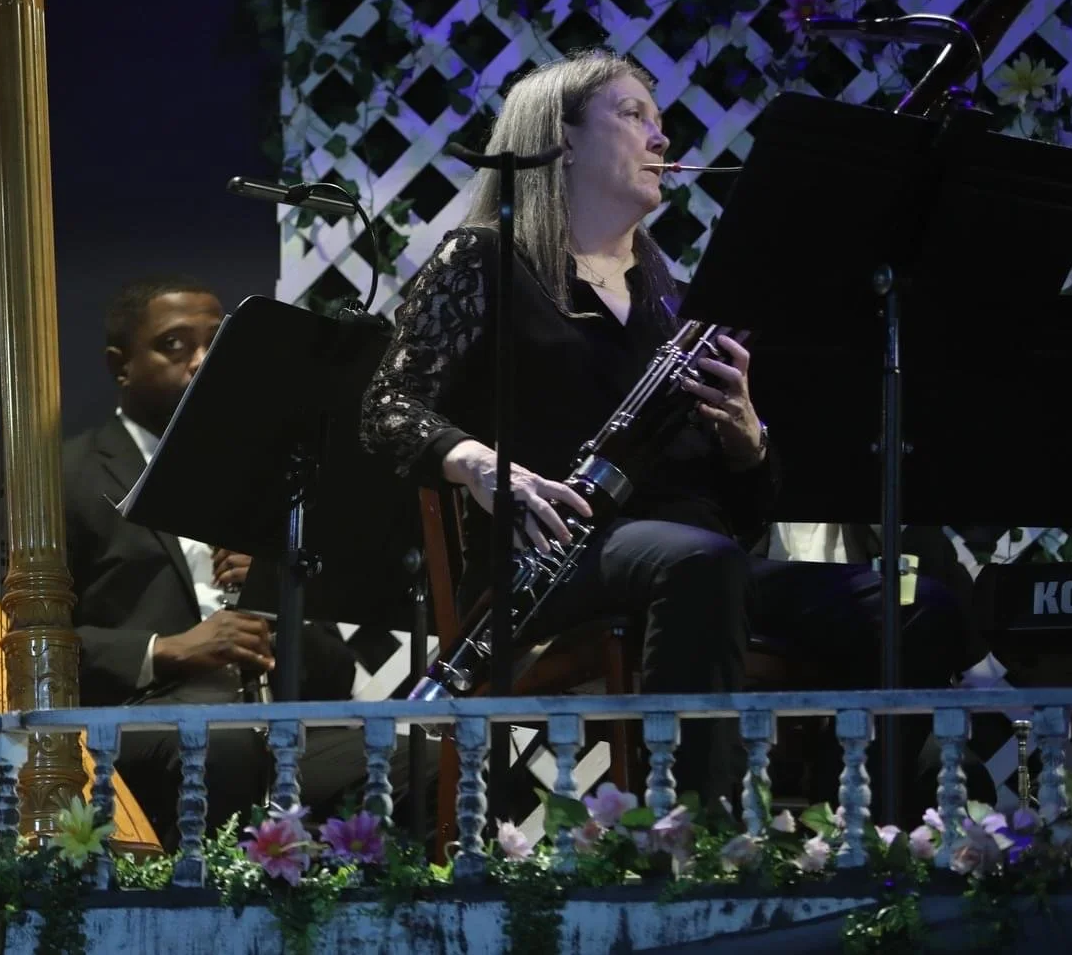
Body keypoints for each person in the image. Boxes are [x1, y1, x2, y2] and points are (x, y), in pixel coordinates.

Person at [360, 50, 970, 806]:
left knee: (919, 607)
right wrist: (483, 465)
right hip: (553, 556)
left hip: (705, 558)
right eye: (632, 115)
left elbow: (748, 515)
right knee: (699, 562)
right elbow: (388, 404)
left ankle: (862, 822)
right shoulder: (484, 258)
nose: (661, 137)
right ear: (562, 139)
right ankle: (690, 833)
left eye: (659, 119)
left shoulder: (676, 301)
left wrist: (746, 436)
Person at [57, 275, 426, 836]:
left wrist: (279, 593)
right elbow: (7, 638)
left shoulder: (275, 479)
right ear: (120, 365)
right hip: (139, 723)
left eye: (217, 343)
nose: (201, 361)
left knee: (421, 763)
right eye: (174, 345)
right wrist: (165, 650)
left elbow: (336, 674)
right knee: (220, 749)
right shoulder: (66, 476)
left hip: (269, 723)